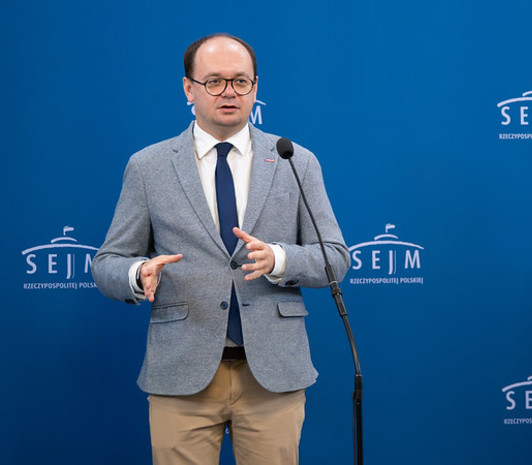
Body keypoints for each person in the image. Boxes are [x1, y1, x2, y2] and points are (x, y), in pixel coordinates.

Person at [92, 33, 350, 465]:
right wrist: (137, 274)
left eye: (240, 81)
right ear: (188, 88)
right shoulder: (149, 166)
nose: (229, 92)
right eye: (214, 81)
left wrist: (279, 259)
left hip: (273, 374)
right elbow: (107, 264)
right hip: (181, 371)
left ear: (255, 87)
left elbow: (335, 258)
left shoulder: (295, 160)